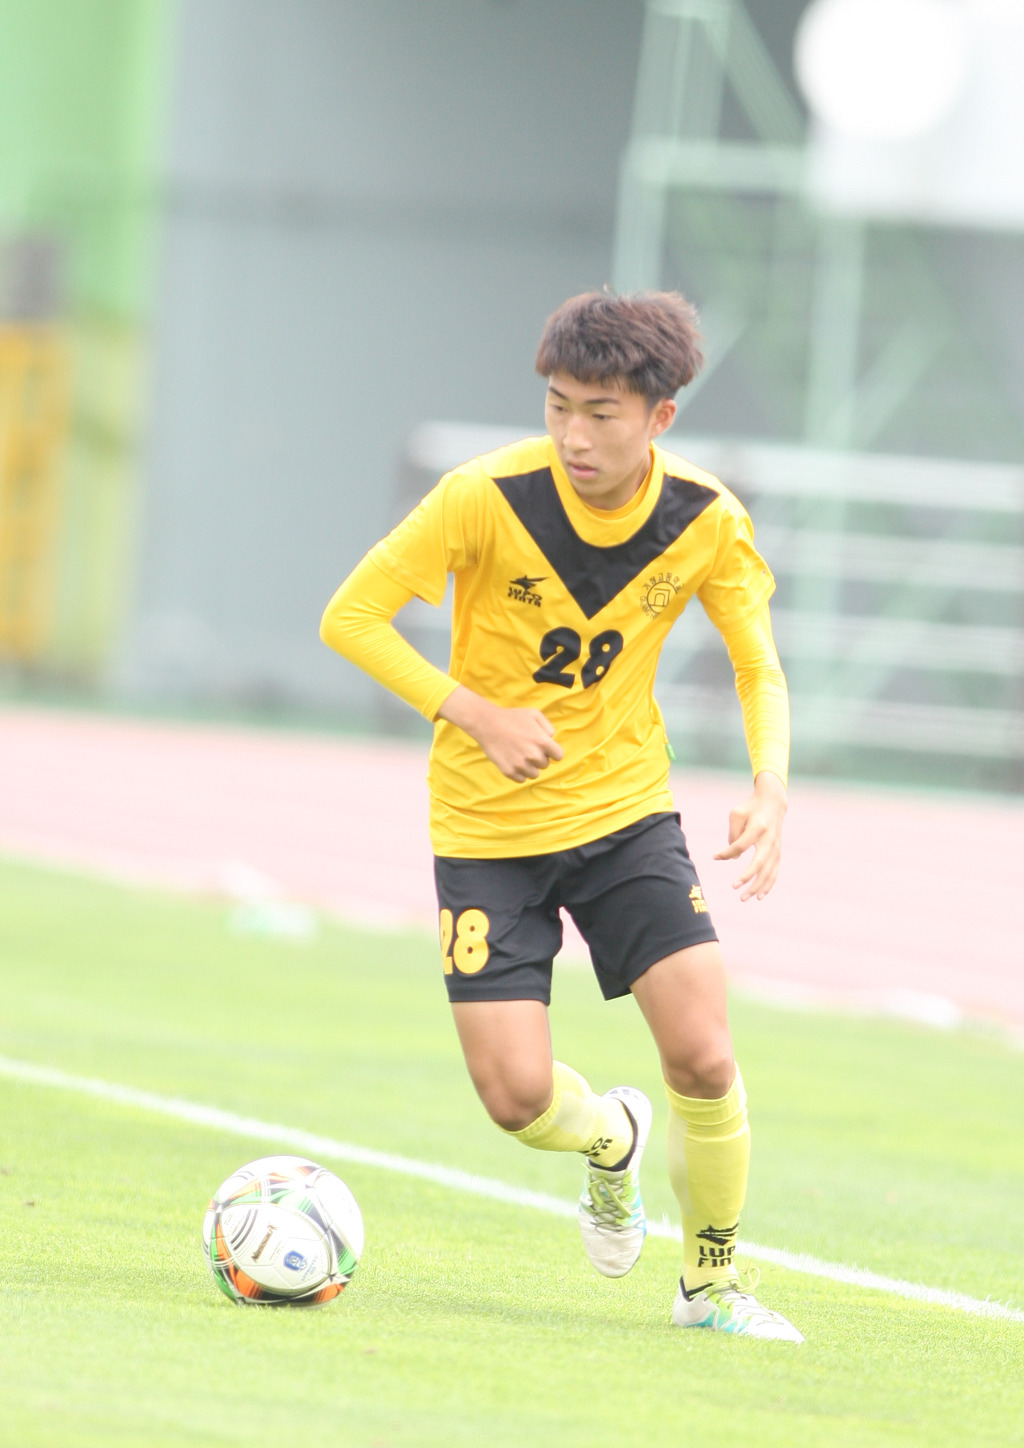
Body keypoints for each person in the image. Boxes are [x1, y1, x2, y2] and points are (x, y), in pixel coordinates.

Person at [320, 290, 801, 1341]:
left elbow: (757, 663)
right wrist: (475, 711)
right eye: (557, 407)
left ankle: (712, 1283)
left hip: (625, 815)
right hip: (486, 829)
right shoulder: (482, 496)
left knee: (704, 1054)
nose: (574, 435)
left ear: (659, 417)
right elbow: (350, 617)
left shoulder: (706, 518)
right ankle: (607, 1136)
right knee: (514, 1097)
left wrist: (769, 784)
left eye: (600, 413)